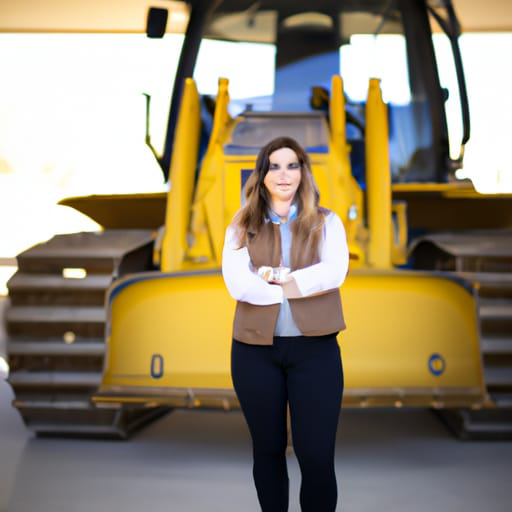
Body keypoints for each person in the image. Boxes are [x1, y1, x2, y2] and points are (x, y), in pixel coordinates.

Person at [222, 136, 349, 512]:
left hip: (316, 352)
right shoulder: (240, 224)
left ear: (303, 173)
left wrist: (275, 280)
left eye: (292, 165)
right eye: (274, 166)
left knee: (317, 457)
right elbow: (237, 283)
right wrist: (293, 286)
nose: (284, 174)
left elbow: (335, 271)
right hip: (254, 353)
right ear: (261, 175)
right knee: (268, 452)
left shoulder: (328, 222)